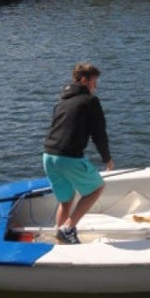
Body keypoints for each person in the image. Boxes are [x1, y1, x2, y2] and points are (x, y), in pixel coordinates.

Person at [43, 61, 115, 243]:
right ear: (84, 80)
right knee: (97, 187)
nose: (95, 86)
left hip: (48, 156)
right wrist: (107, 158)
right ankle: (68, 228)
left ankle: (60, 236)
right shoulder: (90, 101)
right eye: (94, 82)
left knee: (66, 199)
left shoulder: (61, 101)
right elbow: (99, 133)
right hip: (68, 158)